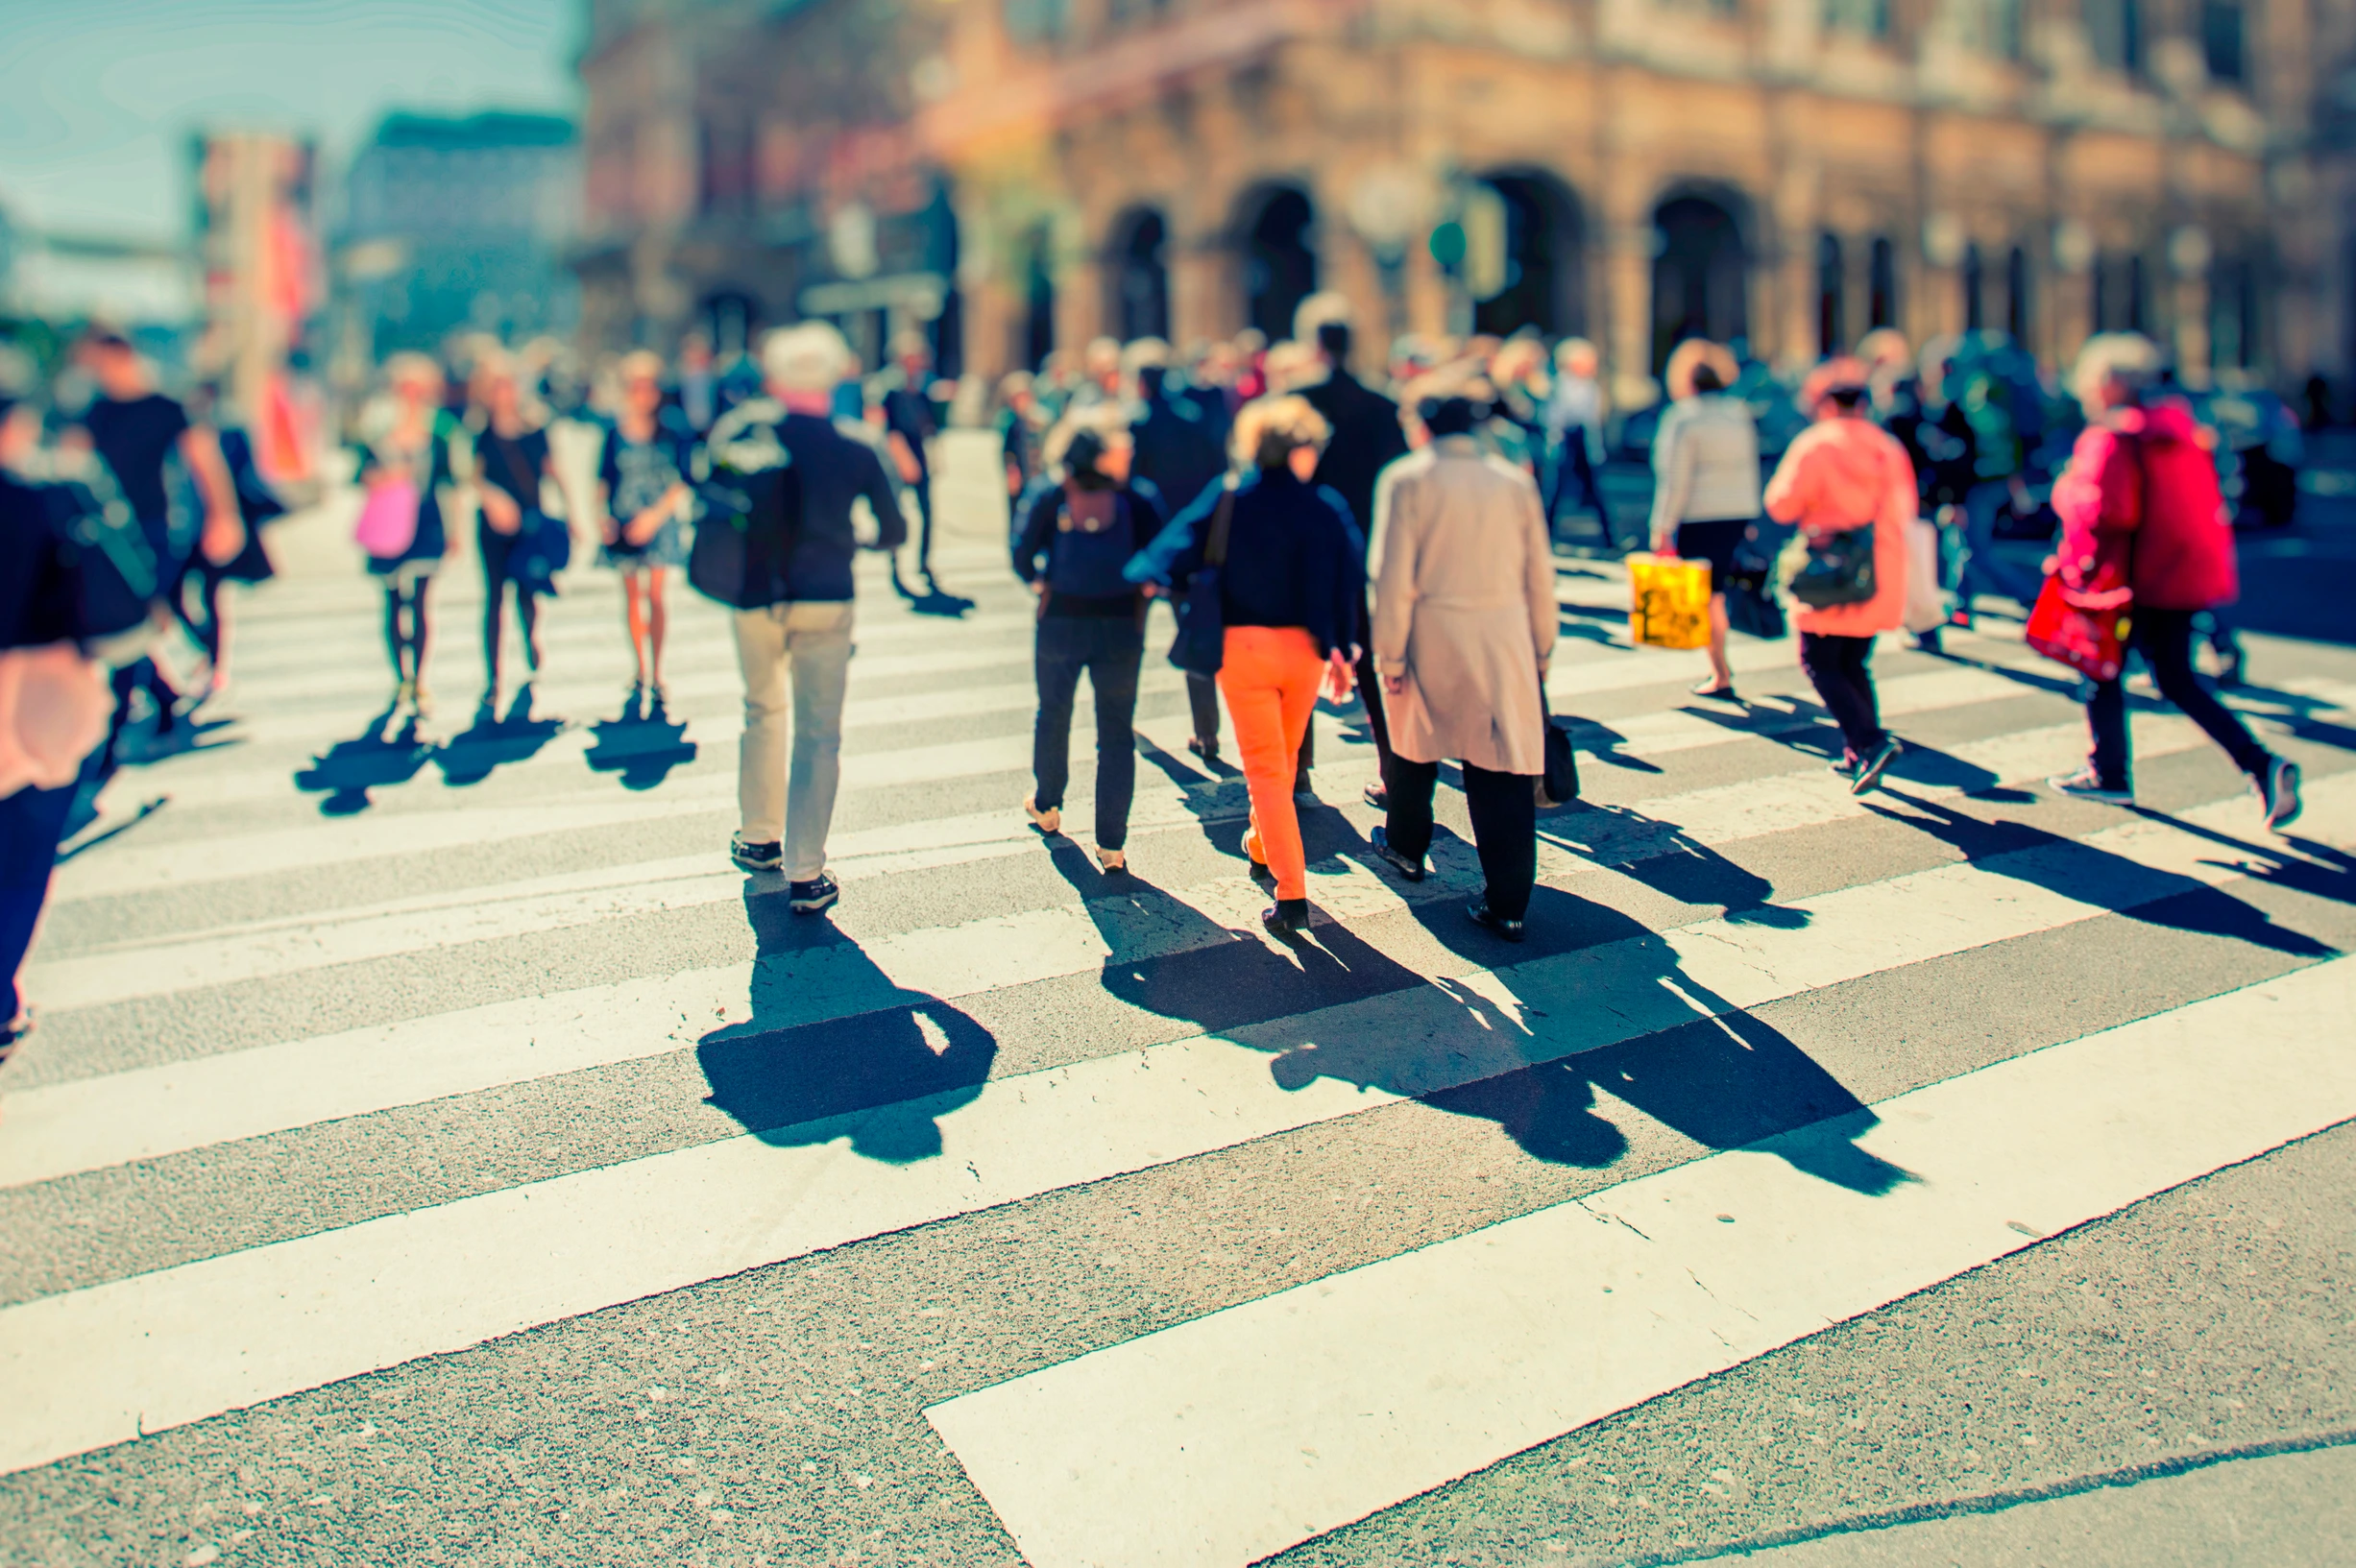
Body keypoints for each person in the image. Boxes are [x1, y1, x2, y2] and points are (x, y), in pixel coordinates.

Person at [1126, 396, 1364, 935]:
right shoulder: (1325, 506)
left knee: (1264, 769)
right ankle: (1263, 848)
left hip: (1244, 650)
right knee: (1281, 761)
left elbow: (1168, 553)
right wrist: (1343, 648)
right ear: (1303, 450)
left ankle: (1292, 893)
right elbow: (1350, 583)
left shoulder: (1229, 498)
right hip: (1304, 651)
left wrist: (1145, 582)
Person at [2044, 334, 2300, 828]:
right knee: (2176, 679)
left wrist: (2066, 493)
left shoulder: (2114, 436)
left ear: (2114, 383)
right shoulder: (2180, 427)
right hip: (2179, 573)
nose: (2087, 390)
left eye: (2092, 379)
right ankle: (2262, 765)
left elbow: (2110, 511)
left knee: (2101, 671)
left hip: (2132, 578)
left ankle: (2109, 774)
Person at [719, 324, 909, 912]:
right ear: (835, 376)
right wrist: (858, 540)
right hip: (827, 593)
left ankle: (758, 837)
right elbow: (896, 528)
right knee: (819, 733)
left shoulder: (742, 432)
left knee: (761, 709)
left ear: (774, 377)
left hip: (755, 594)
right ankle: (806, 872)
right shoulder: (857, 444)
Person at [1366, 393, 1558, 942]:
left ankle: (1406, 847)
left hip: (1431, 631)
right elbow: (1540, 574)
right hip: (1502, 636)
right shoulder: (1513, 481)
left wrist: (1390, 654)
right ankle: (1508, 903)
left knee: (1414, 747)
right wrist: (1541, 649)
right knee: (1501, 772)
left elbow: (1391, 575)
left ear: (1423, 425)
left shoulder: (1406, 479)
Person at [1, 391, 118, 1060]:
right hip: (40, 697)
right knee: (24, 862)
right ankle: (0, 1000)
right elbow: (108, 606)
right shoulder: (52, 492)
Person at [68, 329, 244, 769]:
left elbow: (206, 462)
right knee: (135, 624)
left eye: (99, 362)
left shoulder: (167, 405)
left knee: (142, 620)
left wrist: (225, 515)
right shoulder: (96, 410)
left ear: (122, 356)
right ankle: (162, 698)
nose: (95, 372)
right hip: (110, 532)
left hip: (158, 529)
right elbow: (74, 463)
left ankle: (120, 725)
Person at [1011, 405, 1165, 873]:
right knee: (1116, 732)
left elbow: (1020, 555)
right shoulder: (1137, 497)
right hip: (1121, 625)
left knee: (1053, 711)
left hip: (1060, 621)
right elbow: (1160, 555)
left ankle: (1048, 803)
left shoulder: (1049, 492)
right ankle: (1112, 844)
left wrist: (1042, 581)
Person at [1763, 359, 1915, 793]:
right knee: (1852, 661)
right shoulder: (1887, 447)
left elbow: (1781, 504)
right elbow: (1906, 508)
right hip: (1879, 570)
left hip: (1827, 574)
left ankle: (1869, 742)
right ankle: (1858, 750)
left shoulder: (1817, 444)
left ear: (1828, 403)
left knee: (1817, 660)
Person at [1298, 315, 1411, 804]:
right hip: (1366, 538)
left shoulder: (1300, 400)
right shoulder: (1382, 405)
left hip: (1309, 542)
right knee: (1367, 660)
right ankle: (1390, 763)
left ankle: (1298, 769)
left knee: (1303, 653)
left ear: (1316, 346)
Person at [1125, 340, 1233, 765]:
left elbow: (1131, 490)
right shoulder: (1195, 420)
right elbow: (1218, 478)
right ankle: (1206, 731)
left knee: (1131, 634)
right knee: (1195, 633)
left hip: (1148, 548)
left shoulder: (1137, 425)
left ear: (1140, 382)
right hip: (1191, 547)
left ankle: (1121, 714)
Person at [465, 351, 580, 712]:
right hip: (493, 528)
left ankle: (531, 641)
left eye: (508, 385)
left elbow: (554, 470)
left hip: (530, 524)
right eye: (496, 386)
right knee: (494, 598)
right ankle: (493, 678)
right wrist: (492, 499)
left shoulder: (535, 429)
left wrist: (572, 511)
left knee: (528, 593)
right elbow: (473, 476)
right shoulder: (480, 432)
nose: (503, 392)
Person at [1647, 338, 1761, 701]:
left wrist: (1662, 526)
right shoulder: (1738, 412)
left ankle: (1720, 672)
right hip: (1736, 512)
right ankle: (1720, 667)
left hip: (1699, 516)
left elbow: (1674, 477)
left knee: (1708, 598)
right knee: (1718, 594)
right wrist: (1751, 513)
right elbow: (1750, 466)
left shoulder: (1683, 417)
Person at [353, 354, 456, 715]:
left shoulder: (438, 433)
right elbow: (360, 477)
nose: (413, 396)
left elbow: (449, 483)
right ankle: (402, 676)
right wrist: (388, 475)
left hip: (427, 525)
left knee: (423, 604)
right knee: (394, 602)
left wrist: (455, 530)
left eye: (420, 389)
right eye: (406, 389)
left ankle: (421, 679)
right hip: (391, 529)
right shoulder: (376, 431)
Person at [595, 350, 696, 705]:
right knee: (631, 597)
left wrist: (656, 516)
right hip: (624, 518)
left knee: (655, 595)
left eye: (648, 386)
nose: (642, 394)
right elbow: (603, 478)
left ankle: (657, 667)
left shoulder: (672, 427)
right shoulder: (614, 430)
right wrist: (602, 518)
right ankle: (639, 666)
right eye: (635, 386)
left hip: (658, 519)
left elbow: (684, 478)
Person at [879, 330, 940, 594]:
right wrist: (904, 461)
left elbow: (930, 426)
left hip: (919, 452)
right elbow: (888, 429)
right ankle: (894, 562)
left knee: (927, 511)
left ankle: (923, 561)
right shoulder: (889, 388)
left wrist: (935, 455)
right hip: (897, 454)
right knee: (897, 511)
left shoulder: (923, 387)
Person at [1542, 337, 1610, 538]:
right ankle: (1544, 532)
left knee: (1596, 493)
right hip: (1565, 444)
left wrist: (1597, 451)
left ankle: (1609, 536)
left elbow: (1593, 423)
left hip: (1583, 445)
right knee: (1554, 492)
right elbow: (1555, 418)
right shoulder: (1558, 385)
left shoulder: (1590, 387)